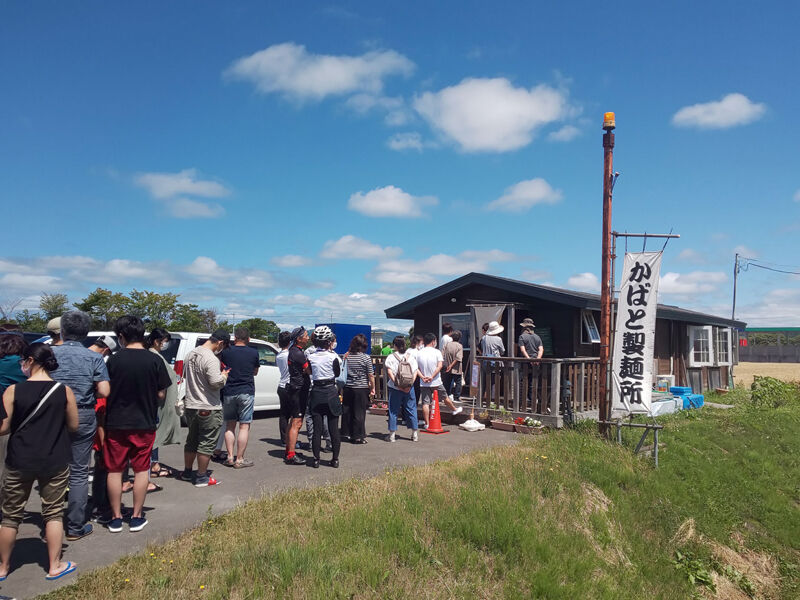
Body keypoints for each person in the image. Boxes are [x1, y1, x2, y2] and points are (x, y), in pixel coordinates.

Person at [0, 343, 79, 580]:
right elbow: (74, 425)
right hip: (54, 458)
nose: (21, 365)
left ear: (31, 361)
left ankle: (3, 567)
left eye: (23, 360)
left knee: (10, 515)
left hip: (19, 458)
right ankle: (54, 565)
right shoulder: (64, 390)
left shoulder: (13, 390)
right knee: (53, 512)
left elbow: (3, 428)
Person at [104, 316, 172, 533]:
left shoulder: (113, 360)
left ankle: (115, 517)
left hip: (115, 423)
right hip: (144, 421)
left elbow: (104, 390)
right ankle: (136, 516)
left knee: (114, 470)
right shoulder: (154, 360)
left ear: (121, 336)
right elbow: (162, 393)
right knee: (141, 469)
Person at [51, 310, 110, 541]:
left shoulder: (48, 353)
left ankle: (50, 523)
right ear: (85, 333)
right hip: (83, 414)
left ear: (62, 331)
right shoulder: (93, 358)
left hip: (50, 414)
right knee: (78, 472)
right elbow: (104, 390)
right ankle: (75, 526)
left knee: (52, 471)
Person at [180, 329, 229, 486]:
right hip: (208, 405)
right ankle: (202, 476)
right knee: (206, 442)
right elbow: (215, 383)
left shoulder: (191, 354)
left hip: (191, 403)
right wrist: (224, 376)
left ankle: (187, 472)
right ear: (220, 343)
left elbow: (187, 376)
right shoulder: (211, 358)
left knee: (192, 440)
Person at [219, 326, 259, 468]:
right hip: (246, 391)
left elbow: (221, 369)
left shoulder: (226, 352)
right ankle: (240, 459)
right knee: (244, 426)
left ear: (234, 338)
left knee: (230, 425)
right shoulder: (253, 352)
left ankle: (229, 457)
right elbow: (255, 371)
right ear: (248, 339)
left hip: (229, 391)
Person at [146, 329, 181, 478]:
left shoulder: (154, 355)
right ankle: (153, 465)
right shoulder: (153, 356)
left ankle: (154, 463)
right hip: (156, 403)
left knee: (155, 433)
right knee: (154, 434)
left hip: (156, 402)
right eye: (165, 341)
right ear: (156, 341)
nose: (166, 344)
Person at [306, 326, 342, 468]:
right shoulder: (334, 357)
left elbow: (309, 372)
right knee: (334, 429)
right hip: (331, 392)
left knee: (317, 428)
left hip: (316, 391)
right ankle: (335, 459)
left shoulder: (310, 356)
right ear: (329, 342)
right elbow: (337, 374)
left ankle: (316, 459)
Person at [417, 333, 461, 429]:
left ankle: (427, 423)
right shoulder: (437, 352)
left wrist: (423, 377)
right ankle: (454, 409)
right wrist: (432, 377)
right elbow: (440, 366)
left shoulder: (419, 352)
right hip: (436, 381)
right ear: (433, 341)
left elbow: (416, 368)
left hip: (423, 382)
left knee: (425, 403)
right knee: (444, 396)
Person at [340, 333, 374, 444]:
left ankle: (347, 433)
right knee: (359, 412)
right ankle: (358, 436)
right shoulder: (366, 358)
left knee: (347, 410)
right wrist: (372, 387)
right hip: (361, 387)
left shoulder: (347, 356)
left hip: (348, 386)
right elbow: (370, 375)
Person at [384, 336, 419, 442]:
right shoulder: (410, 357)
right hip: (409, 388)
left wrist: (398, 385)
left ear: (395, 345)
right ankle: (414, 434)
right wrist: (409, 385)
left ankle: (392, 435)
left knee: (393, 410)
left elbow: (390, 372)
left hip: (395, 388)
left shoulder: (390, 357)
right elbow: (415, 372)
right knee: (411, 409)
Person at [283, 327, 310, 465]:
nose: (308, 338)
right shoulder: (298, 353)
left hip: (293, 388)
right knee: (297, 422)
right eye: (306, 335)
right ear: (299, 338)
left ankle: (289, 450)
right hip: (299, 390)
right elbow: (309, 370)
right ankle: (291, 455)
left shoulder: (292, 351)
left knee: (293, 420)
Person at [518, 318, 544, 412]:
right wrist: (538, 359)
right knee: (534, 382)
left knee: (523, 382)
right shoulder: (537, 337)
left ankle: (522, 403)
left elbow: (522, 349)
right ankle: (533, 401)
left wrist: (528, 359)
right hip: (536, 363)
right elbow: (541, 349)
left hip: (525, 363)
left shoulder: (522, 337)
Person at [480, 321, 505, 401]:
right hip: (495, 363)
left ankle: (481, 399)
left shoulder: (484, 338)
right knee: (494, 382)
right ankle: (492, 400)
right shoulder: (498, 339)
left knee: (484, 381)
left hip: (485, 362)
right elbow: (502, 351)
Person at [275, 331, 292, 444]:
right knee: (293, 415)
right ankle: (289, 439)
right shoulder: (289, 355)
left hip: (281, 385)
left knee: (283, 414)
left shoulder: (279, 355)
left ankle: (284, 439)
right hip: (289, 386)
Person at [442, 330, 464, 405]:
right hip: (456, 368)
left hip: (447, 367)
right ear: (459, 338)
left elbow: (442, 355)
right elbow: (458, 358)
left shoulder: (447, 345)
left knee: (447, 382)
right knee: (458, 382)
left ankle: (446, 396)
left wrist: (446, 365)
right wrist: (451, 366)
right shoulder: (459, 346)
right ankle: (456, 397)